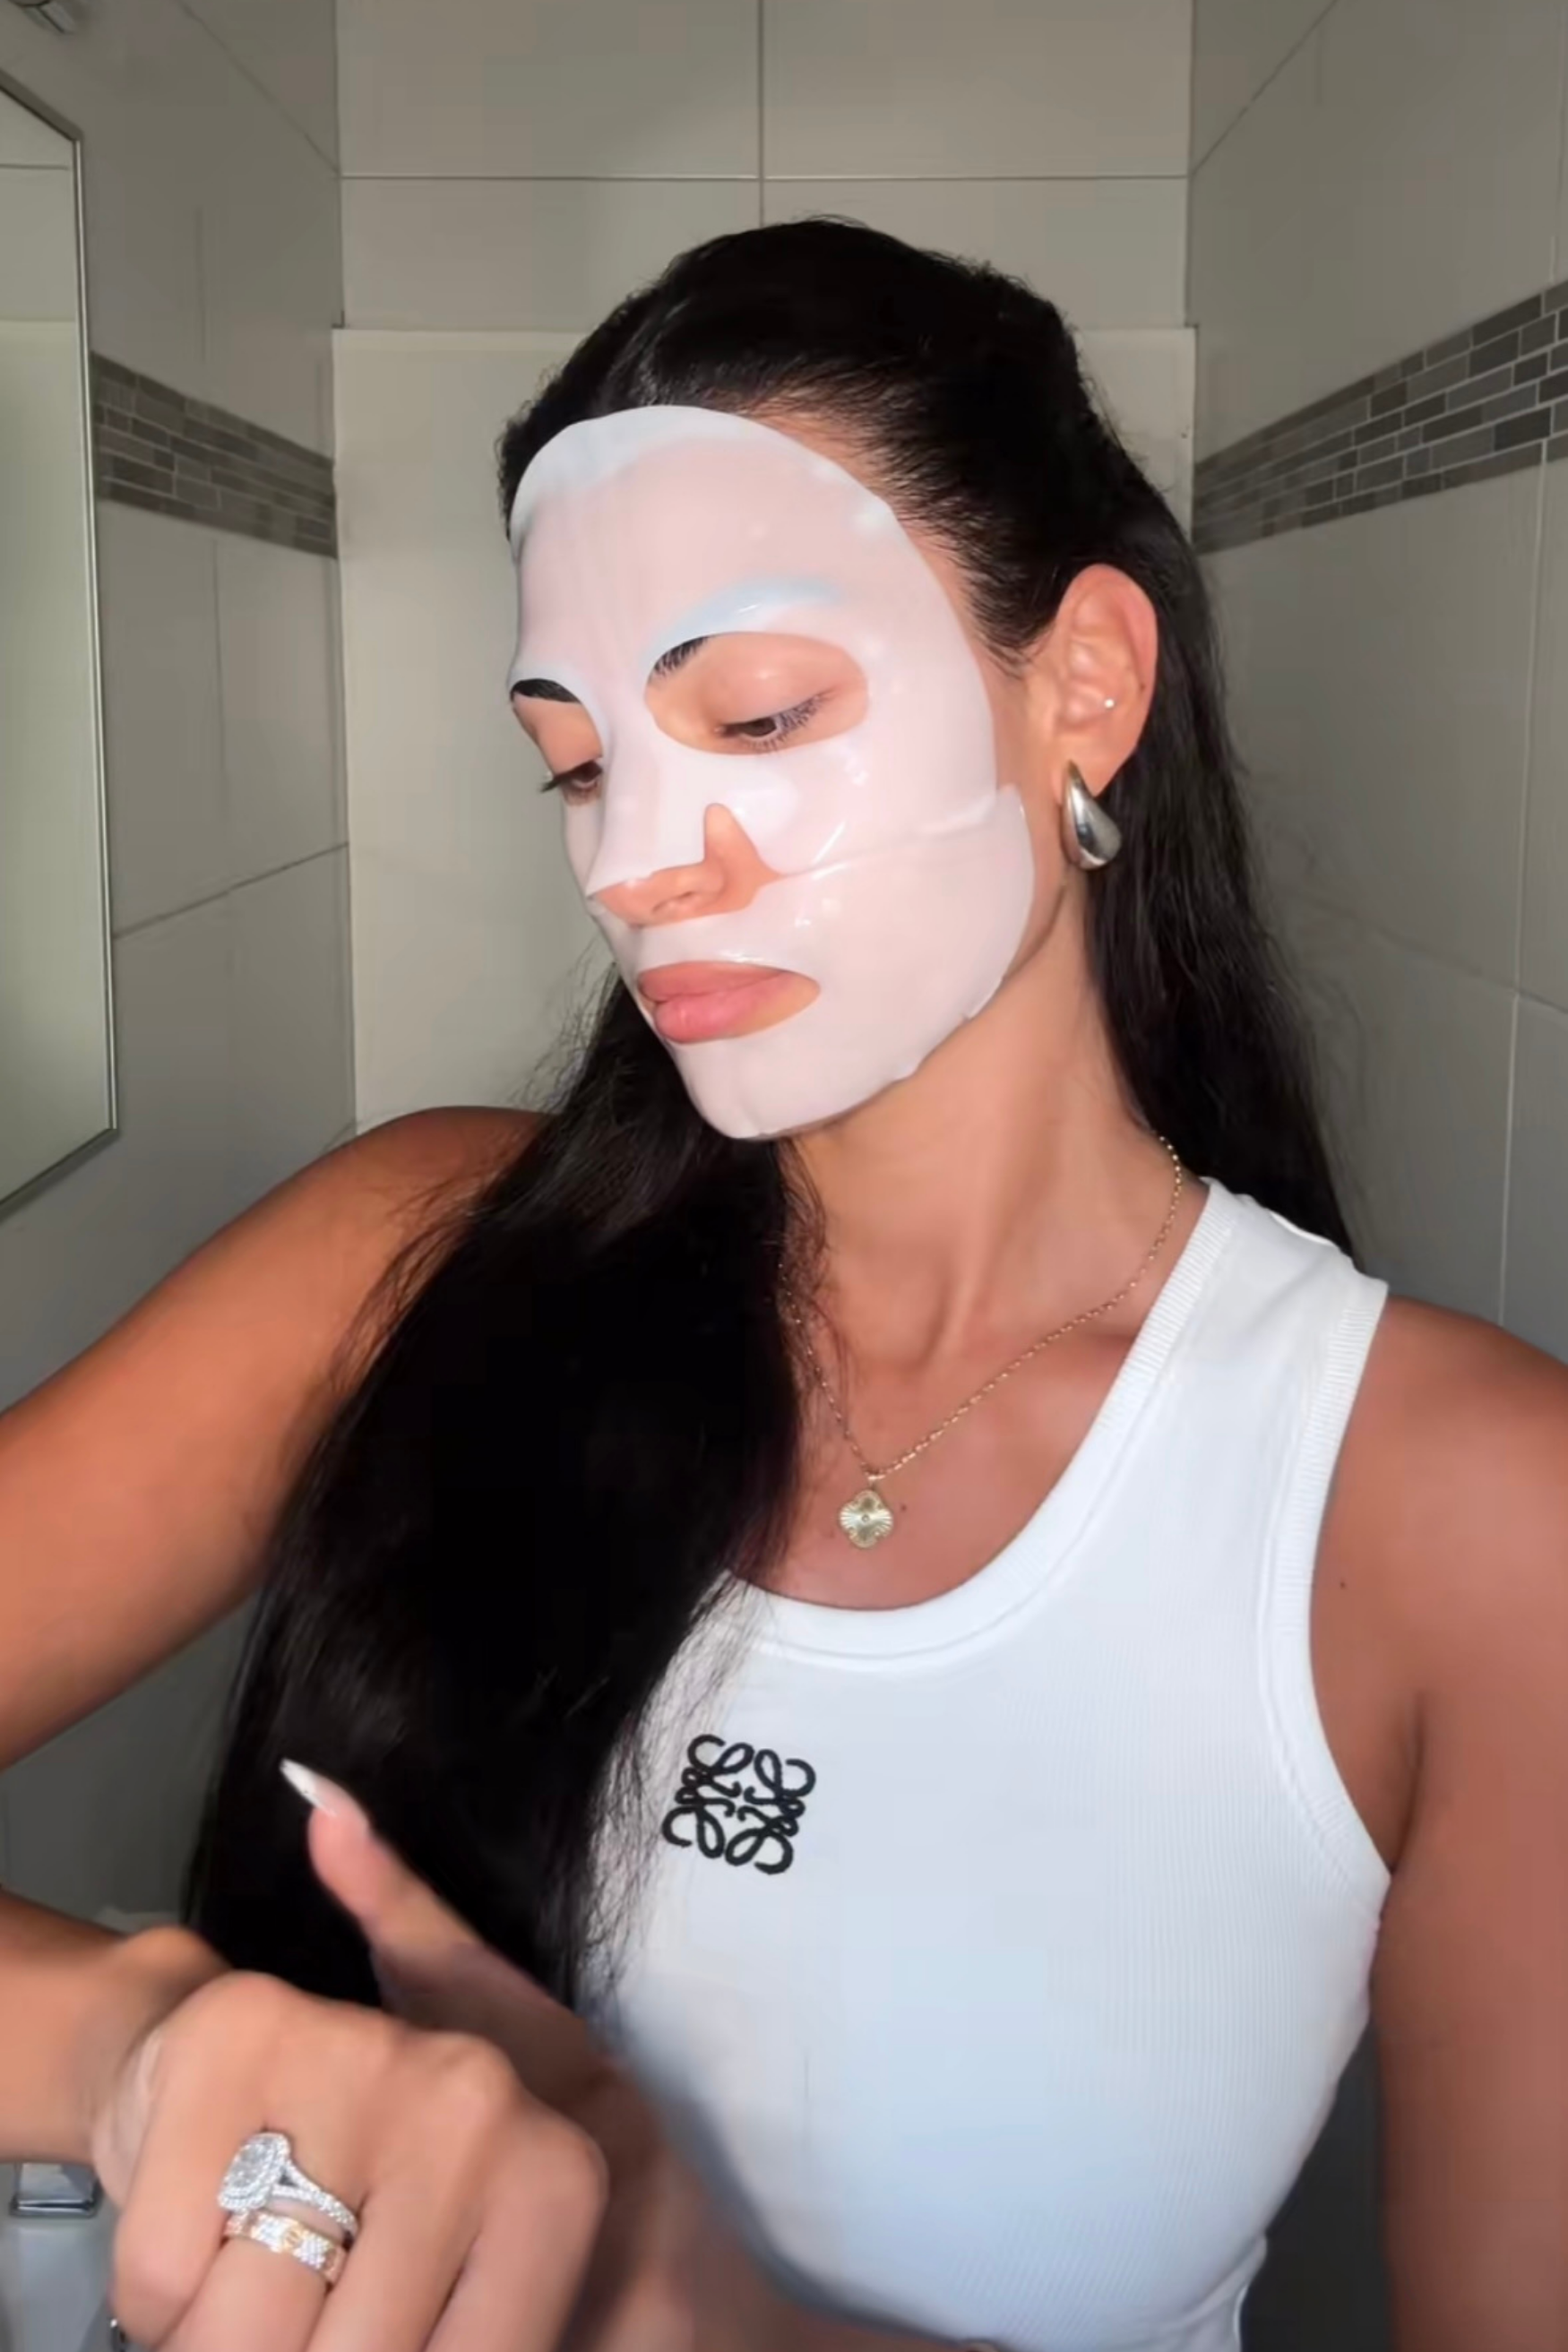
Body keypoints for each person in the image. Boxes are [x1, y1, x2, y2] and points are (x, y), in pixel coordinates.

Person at [1, 220, 1564, 2352]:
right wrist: (126, 2037)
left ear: (1083, 686)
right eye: (573, 760)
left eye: (752, 714)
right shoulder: (407, 1257)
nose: (631, 857)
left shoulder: (1460, 1509)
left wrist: (715, 2313)